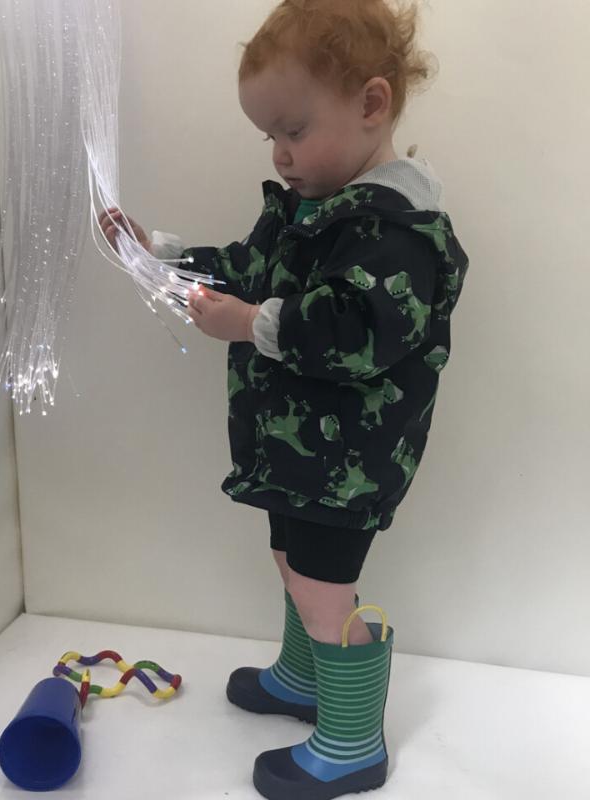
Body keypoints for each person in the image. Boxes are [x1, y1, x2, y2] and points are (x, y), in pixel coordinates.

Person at [101, 1, 468, 797]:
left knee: (323, 587)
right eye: (269, 136)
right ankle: (305, 683)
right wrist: (157, 252)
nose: (281, 154)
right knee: (290, 562)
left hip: (350, 463)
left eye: (294, 131)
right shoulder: (311, 209)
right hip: (300, 454)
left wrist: (250, 325)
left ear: (373, 105)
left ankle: (351, 743)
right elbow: (244, 265)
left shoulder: (400, 231)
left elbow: (358, 330)